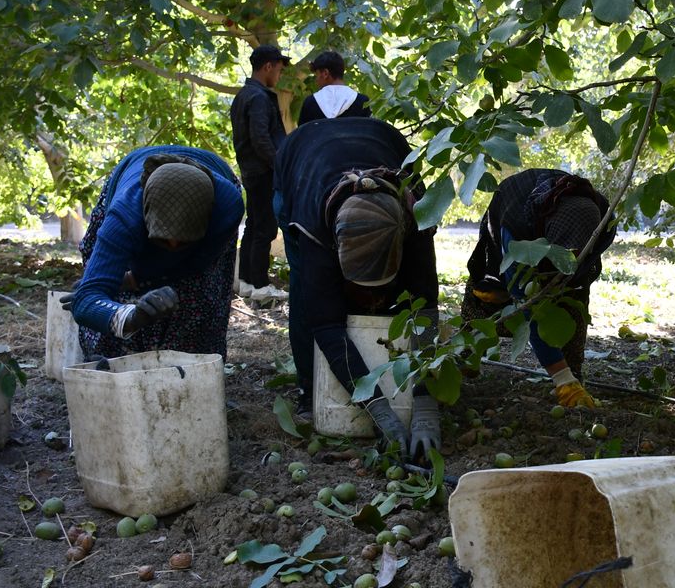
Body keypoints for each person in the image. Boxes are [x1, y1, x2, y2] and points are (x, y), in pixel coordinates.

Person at [274, 116, 441, 459]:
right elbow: (326, 325)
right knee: (308, 296)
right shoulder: (313, 228)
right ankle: (308, 389)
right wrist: (378, 410)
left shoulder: (416, 219)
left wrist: (425, 403)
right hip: (302, 160)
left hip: (381, 140)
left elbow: (424, 306)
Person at [66, 146, 244, 359]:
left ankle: (188, 362)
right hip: (130, 186)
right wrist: (130, 316)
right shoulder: (124, 217)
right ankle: (112, 358)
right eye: (162, 239)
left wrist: (137, 279)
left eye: (184, 242)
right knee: (110, 301)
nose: (173, 246)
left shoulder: (227, 209)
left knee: (197, 295)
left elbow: (195, 264)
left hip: (215, 197)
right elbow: (85, 301)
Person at [461, 169, 616, 408]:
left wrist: (567, 275)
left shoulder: (604, 221)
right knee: (491, 296)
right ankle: (467, 354)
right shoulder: (516, 230)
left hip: (554, 226)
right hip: (516, 213)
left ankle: (573, 369)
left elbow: (584, 261)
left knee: (572, 298)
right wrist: (561, 379)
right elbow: (529, 308)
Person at [230, 44, 291, 302]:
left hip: (251, 170)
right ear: (268, 66)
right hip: (263, 171)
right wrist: (280, 166)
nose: (279, 75)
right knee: (265, 227)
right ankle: (260, 285)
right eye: (278, 70)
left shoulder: (244, 95)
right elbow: (261, 138)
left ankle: (245, 282)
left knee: (254, 224)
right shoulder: (258, 98)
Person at [298, 51, 371, 125]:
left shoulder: (310, 103)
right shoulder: (363, 102)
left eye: (316, 74)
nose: (316, 80)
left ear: (325, 73)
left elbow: (303, 131)